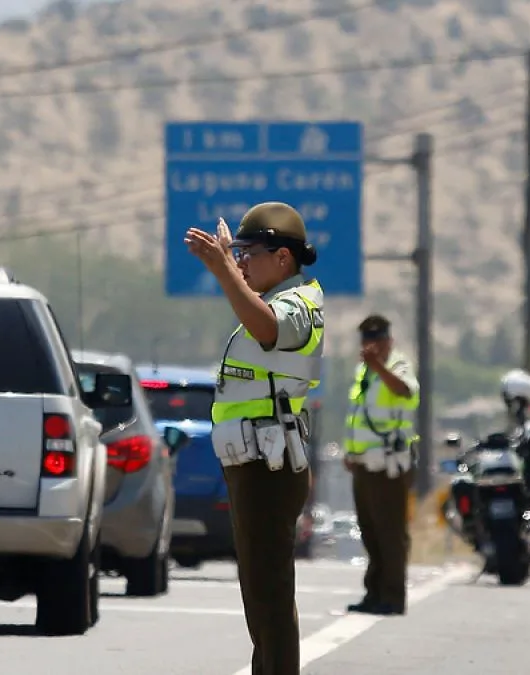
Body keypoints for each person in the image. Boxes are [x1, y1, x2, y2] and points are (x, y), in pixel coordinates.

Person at [184, 201, 323, 675]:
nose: (241, 261)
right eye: (236, 252)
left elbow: (266, 327)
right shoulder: (278, 299)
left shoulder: (300, 304)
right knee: (261, 594)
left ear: (282, 258)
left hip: (270, 466)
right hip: (255, 463)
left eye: (248, 252)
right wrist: (231, 269)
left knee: (269, 593)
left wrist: (224, 271)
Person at [342, 314, 419, 616]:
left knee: (390, 533)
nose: (371, 346)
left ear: (389, 341)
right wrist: (350, 452)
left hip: (388, 466)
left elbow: (406, 391)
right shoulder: (364, 372)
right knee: (370, 532)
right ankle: (373, 592)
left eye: (376, 339)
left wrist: (378, 366)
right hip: (363, 464)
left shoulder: (397, 366)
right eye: (366, 341)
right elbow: (358, 415)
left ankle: (392, 596)